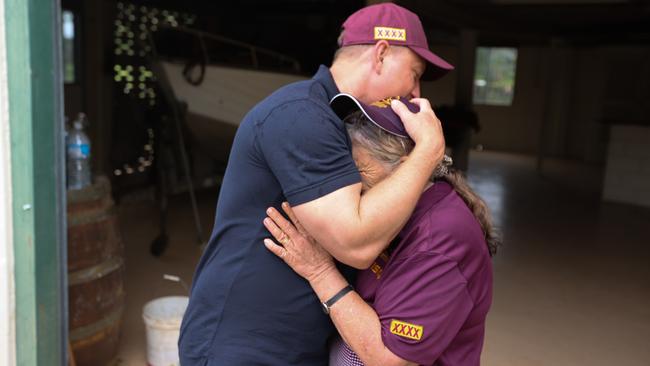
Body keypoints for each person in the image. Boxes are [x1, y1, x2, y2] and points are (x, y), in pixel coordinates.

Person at [179, 3, 454, 365]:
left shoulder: (342, 120)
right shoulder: (302, 115)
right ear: (382, 54)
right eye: (415, 73)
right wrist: (428, 151)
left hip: (292, 344)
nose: (416, 93)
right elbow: (354, 244)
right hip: (243, 346)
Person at [263, 95, 498, 366]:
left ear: (408, 169)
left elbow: (388, 358)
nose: (345, 182)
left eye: (358, 169)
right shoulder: (395, 214)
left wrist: (320, 272)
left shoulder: (440, 239)